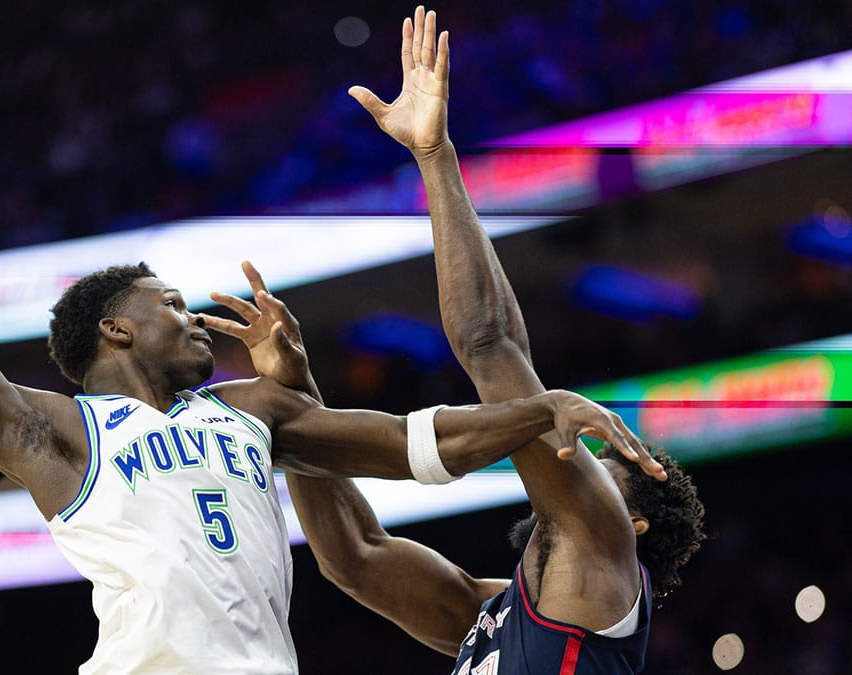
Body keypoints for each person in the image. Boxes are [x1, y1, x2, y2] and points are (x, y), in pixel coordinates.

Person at [0, 43, 661, 673]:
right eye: (172, 304)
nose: (199, 319)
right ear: (117, 330)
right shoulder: (55, 432)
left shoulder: (254, 412)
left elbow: (415, 445)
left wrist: (533, 410)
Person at [277, 7, 706, 673]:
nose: (575, 451)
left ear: (632, 524)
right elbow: (356, 556)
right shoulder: (502, 612)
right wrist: (289, 403)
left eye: (599, 466)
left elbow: (489, 341)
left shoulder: (602, 547)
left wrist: (434, 156)